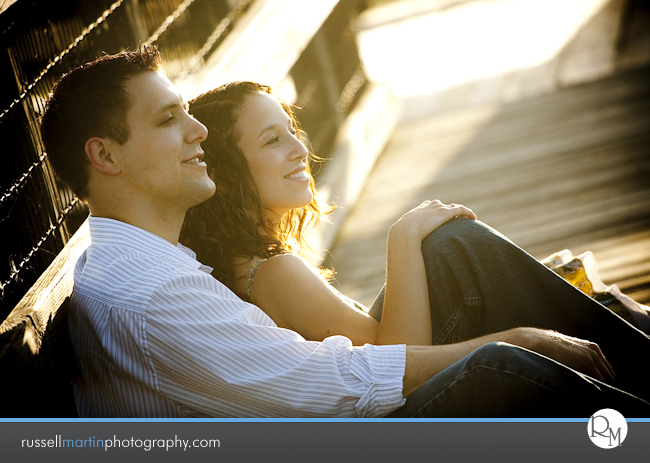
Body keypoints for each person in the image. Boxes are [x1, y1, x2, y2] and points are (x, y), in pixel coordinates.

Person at [40, 47, 649, 418]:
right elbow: (335, 386)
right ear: (106, 156)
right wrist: (525, 339)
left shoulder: (141, 260)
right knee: (500, 365)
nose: (197, 132)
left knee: (453, 253)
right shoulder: (150, 292)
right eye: (170, 120)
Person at [181, 81, 650, 415]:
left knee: (456, 250)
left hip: (397, 389)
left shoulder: (260, 267)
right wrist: (402, 237)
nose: (299, 148)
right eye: (271, 140)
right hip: (401, 411)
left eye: (290, 129)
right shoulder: (272, 273)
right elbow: (397, 363)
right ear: (229, 175)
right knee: (450, 245)